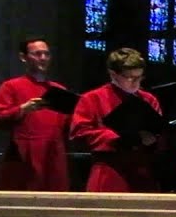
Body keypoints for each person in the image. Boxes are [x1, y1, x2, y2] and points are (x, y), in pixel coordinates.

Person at [70, 48, 163, 193]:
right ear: (113, 74)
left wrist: (154, 139)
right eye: (130, 78)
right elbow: (79, 134)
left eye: (139, 77)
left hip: (142, 173)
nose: (135, 83)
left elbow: (160, 132)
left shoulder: (148, 100)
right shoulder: (92, 98)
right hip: (108, 171)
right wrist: (118, 137)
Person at [0, 38, 71, 191]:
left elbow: (71, 124)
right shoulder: (11, 86)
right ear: (23, 57)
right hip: (23, 154)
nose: (43, 58)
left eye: (46, 54)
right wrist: (22, 109)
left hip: (53, 154)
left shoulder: (58, 90)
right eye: (37, 54)